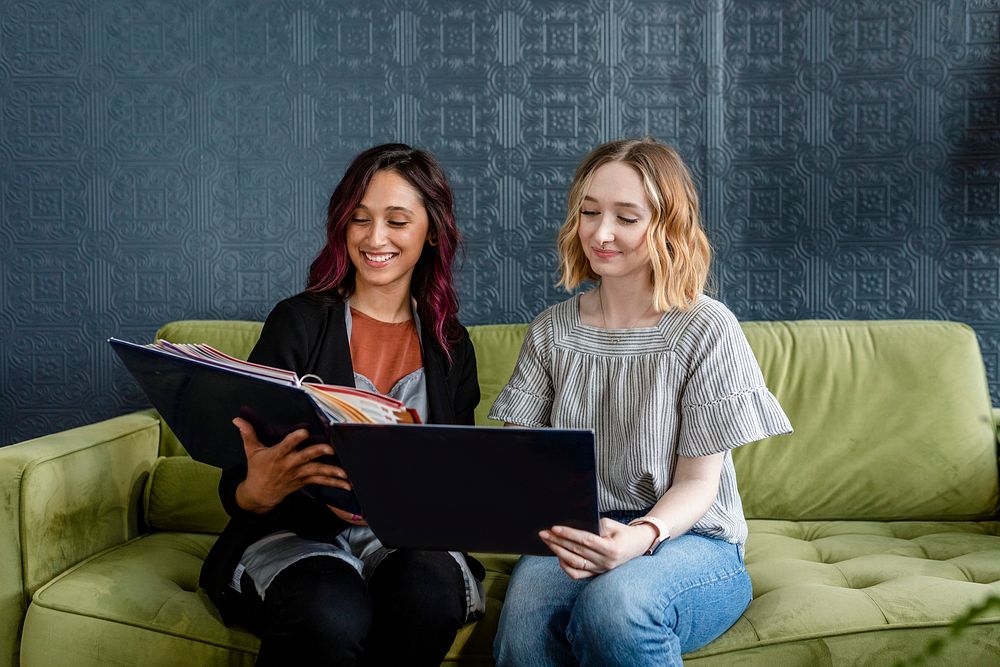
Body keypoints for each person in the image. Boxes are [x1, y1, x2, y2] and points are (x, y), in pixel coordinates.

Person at [489, 137, 792, 666]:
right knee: (525, 620)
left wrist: (640, 536)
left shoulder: (705, 328)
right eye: (589, 212)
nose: (600, 233)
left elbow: (699, 485)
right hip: (580, 529)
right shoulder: (551, 332)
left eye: (626, 218)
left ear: (666, 225)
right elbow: (526, 470)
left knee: (616, 604)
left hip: (689, 539)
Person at [199, 143, 484, 666]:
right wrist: (254, 491)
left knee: (427, 593)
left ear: (432, 231)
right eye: (360, 219)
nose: (375, 238)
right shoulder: (298, 322)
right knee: (330, 609)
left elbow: (457, 471)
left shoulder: (450, 345)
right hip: (295, 536)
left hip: (406, 540)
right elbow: (241, 467)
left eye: (397, 221)